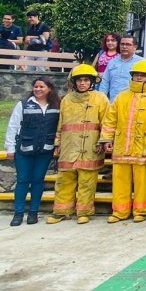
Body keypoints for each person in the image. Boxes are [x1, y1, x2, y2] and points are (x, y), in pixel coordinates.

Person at [99, 60, 146, 223]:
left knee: (143, 182)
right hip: (122, 146)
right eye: (136, 74)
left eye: (143, 75)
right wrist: (106, 139)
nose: (139, 77)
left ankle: (141, 210)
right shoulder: (121, 96)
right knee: (120, 182)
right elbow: (110, 120)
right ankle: (120, 212)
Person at [46, 65, 109, 225]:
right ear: (74, 82)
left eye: (86, 80)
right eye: (79, 80)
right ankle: (61, 211)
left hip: (91, 147)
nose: (82, 83)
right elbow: (60, 124)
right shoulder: (66, 100)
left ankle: (84, 212)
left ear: (91, 82)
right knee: (64, 180)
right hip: (69, 146)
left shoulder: (101, 98)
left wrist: (104, 140)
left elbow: (107, 122)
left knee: (87, 182)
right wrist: (57, 143)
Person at [5, 77, 61, 226]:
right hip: (24, 150)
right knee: (22, 180)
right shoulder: (23, 104)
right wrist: (10, 148)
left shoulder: (56, 105)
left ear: (49, 88)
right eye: (35, 87)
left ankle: (33, 213)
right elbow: (13, 126)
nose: (38, 89)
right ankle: (18, 213)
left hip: (45, 150)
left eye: (41, 87)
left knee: (38, 181)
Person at [99, 35, 140, 102]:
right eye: (122, 44)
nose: (124, 47)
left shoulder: (141, 63)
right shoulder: (112, 62)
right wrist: (101, 101)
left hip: (134, 104)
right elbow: (105, 83)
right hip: (114, 103)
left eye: (128, 44)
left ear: (135, 47)